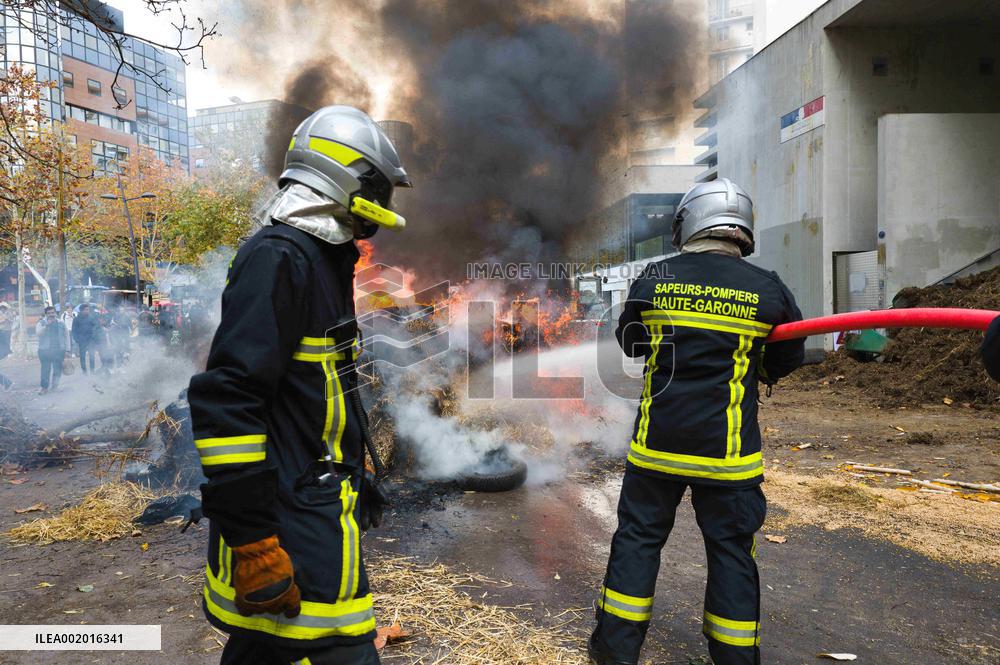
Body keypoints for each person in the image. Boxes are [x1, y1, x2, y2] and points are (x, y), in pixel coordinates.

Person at [187, 105, 411, 665]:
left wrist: (355, 471)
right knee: (335, 647)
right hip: (287, 522)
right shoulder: (280, 259)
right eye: (377, 191)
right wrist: (253, 542)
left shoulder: (318, 260)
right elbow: (228, 402)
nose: (381, 210)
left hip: (311, 505)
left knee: (263, 648)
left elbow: (315, 396)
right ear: (344, 180)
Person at [589, 179, 806, 665]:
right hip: (728, 457)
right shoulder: (767, 287)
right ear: (741, 230)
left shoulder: (657, 276)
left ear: (689, 222)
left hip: (657, 448)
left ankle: (615, 652)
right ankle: (733, 657)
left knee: (638, 541)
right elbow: (789, 356)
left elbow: (630, 341)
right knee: (731, 551)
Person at [35, 306, 67, 393]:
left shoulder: (61, 323)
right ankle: (44, 388)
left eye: (52, 313)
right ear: (46, 314)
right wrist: (47, 325)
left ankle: (55, 387)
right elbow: (38, 334)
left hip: (59, 350)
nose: (51, 315)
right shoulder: (41, 323)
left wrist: (67, 349)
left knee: (57, 369)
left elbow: (66, 336)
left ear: (55, 313)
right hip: (44, 351)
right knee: (45, 369)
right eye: (49, 313)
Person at [72, 304, 100, 374]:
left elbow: (96, 326)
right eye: (86, 310)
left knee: (91, 356)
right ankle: (84, 371)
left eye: (88, 309)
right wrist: (77, 340)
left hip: (90, 340)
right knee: (82, 357)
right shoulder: (76, 319)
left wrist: (94, 336)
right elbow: (74, 330)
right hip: (82, 341)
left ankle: (92, 371)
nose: (87, 311)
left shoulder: (91, 318)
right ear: (81, 310)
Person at [0, 302, 14, 391]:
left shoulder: (7, 317)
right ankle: (7, 382)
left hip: (3, 348)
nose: (2, 310)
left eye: (3, 308)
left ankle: (7, 382)